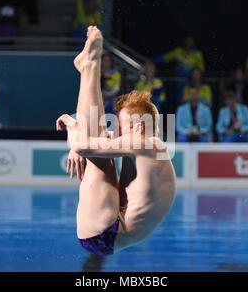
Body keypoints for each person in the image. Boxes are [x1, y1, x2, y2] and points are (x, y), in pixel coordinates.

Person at [56, 26, 176, 256]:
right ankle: (89, 67)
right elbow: (91, 144)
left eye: (124, 126)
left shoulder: (145, 144)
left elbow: (83, 145)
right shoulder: (150, 146)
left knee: (96, 149)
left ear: (140, 127)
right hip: (109, 229)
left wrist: (71, 125)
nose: (119, 131)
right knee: (97, 144)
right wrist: (81, 140)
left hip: (104, 232)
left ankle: (90, 66)